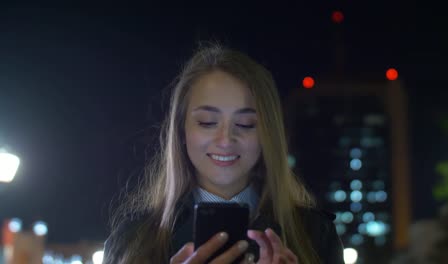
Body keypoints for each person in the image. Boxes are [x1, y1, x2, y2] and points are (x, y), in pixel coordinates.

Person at [103, 43, 344, 264]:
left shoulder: (315, 234)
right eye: (207, 122)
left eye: (246, 124)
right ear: (181, 131)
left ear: (267, 135)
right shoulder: (132, 239)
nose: (226, 139)